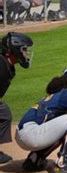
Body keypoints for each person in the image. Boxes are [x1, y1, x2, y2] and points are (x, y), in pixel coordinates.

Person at [0, 32, 34, 164]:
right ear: (14, 49)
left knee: (3, 113)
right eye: (24, 49)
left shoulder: (8, 66)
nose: (26, 53)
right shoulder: (1, 66)